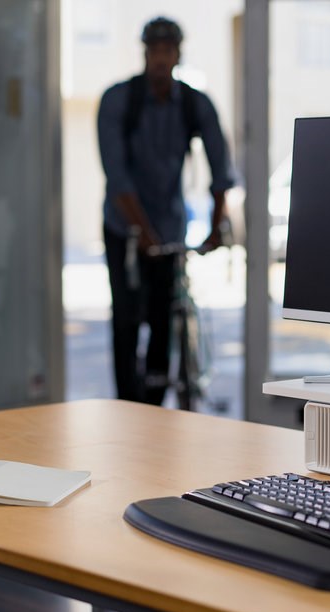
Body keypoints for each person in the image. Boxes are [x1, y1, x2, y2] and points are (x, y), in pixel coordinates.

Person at [97, 17, 235, 405]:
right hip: (124, 228)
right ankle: (125, 402)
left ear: (177, 54)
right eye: (154, 51)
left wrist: (215, 226)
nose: (160, 58)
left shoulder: (194, 103)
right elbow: (118, 177)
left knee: (163, 318)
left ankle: (156, 407)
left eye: (168, 51)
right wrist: (144, 234)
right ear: (145, 53)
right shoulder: (119, 100)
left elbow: (221, 167)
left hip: (169, 225)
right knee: (126, 318)